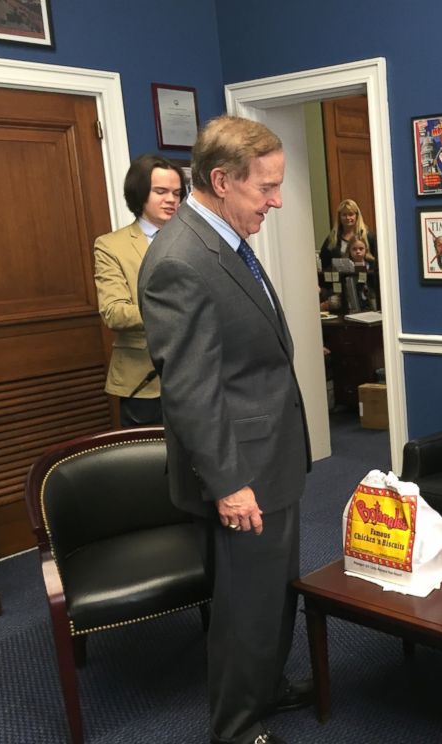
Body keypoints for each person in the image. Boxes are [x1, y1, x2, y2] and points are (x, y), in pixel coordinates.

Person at [139, 115, 312, 744]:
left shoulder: (226, 239)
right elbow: (190, 388)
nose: (276, 200)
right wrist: (231, 483)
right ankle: (237, 725)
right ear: (220, 180)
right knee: (244, 605)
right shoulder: (180, 259)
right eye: (265, 187)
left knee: (275, 590)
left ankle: (265, 686)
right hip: (241, 470)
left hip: (272, 456)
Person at [93, 154, 185, 426]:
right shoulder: (111, 246)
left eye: (177, 193)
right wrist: (171, 311)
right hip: (143, 383)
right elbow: (113, 313)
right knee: (150, 465)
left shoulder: (193, 242)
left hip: (195, 378)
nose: (171, 199)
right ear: (140, 193)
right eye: (161, 191)